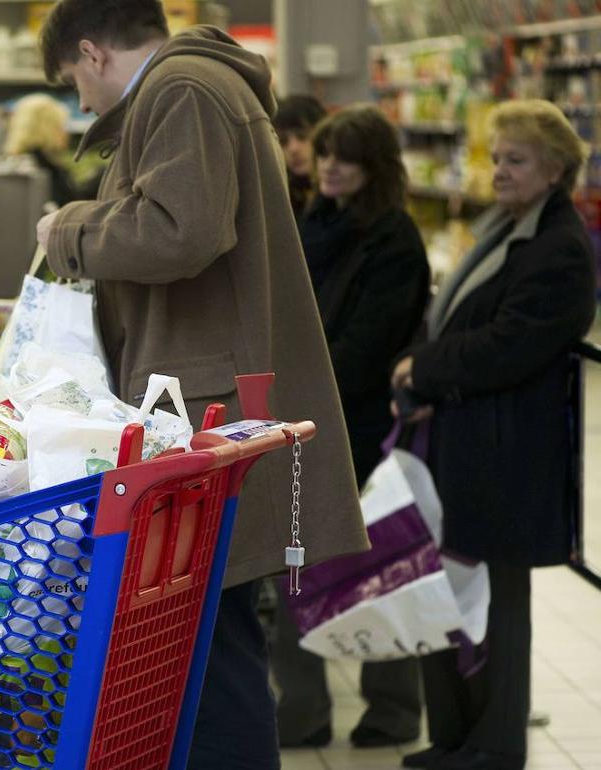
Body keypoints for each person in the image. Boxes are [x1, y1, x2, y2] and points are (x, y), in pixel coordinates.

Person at [33, 3, 368, 767]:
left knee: (211, 647)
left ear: (91, 51)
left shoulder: (182, 88)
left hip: (211, 405)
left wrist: (71, 233)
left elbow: (182, 231)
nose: (81, 102)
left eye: (71, 81)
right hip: (208, 391)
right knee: (209, 640)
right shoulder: (192, 88)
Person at [393, 101, 595, 770]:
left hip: (509, 451)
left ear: (556, 170)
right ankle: (453, 736)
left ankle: (495, 743)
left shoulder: (559, 247)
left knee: (498, 601)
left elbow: (511, 346)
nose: (500, 171)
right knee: (448, 587)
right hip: (466, 435)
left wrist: (424, 368)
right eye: (497, 157)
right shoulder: (504, 226)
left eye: (517, 160)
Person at [271, 105, 430, 750]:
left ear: (376, 167)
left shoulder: (393, 237)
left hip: (359, 424)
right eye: (327, 152)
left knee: (378, 564)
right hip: (303, 420)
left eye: (347, 156)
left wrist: (303, 385)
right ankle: (302, 709)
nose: (331, 165)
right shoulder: (313, 224)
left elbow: (368, 342)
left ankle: (393, 709)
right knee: (294, 566)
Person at [3, 93, 84, 207]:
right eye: (61, 125)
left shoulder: (14, 164)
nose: (66, 133)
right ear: (47, 127)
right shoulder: (43, 170)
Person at [272, 94, 327, 222]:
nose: (293, 148)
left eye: (302, 136)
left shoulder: (343, 192)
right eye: (283, 140)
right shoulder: (277, 197)